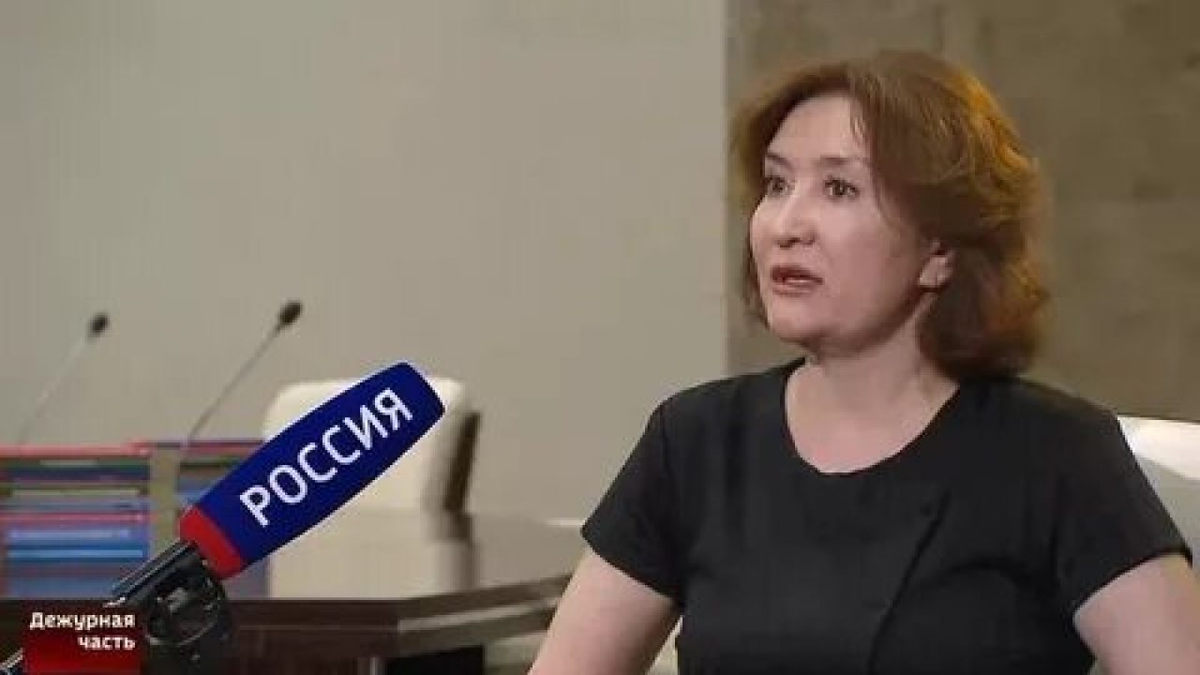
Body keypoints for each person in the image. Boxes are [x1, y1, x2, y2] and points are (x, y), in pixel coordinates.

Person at [528, 49, 1200, 674]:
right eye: (776, 184)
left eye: (839, 190)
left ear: (941, 248)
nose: (786, 224)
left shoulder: (1057, 456)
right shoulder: (695, 442)